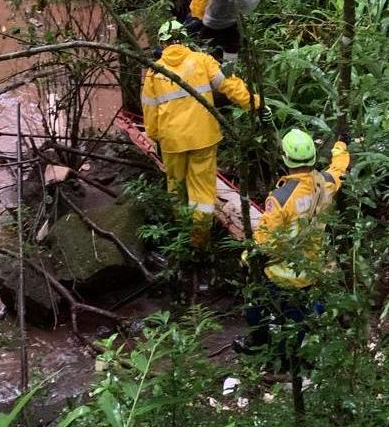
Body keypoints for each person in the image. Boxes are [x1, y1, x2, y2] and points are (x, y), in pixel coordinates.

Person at [141, 19, 271, 248]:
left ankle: (181, 236)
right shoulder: (202, 61)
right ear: (185, 38)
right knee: (202, 193)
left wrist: (155, 137)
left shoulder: (154, 72)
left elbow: (150, 112)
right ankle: (200, 241)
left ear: (162, 42)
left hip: (172, 142)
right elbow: (230, 86)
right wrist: (256, 104)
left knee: (177, 188)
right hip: (203, 138)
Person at [234, 128, 350, 357]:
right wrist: (341, 146)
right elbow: (339, 168)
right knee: (300, 314)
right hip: (310, 267)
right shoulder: (324, 184)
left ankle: (257, 342)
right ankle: (299, 353)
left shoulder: (280, 198)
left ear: (285, 158)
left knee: (255, 304)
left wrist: (246, 260)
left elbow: (264, 240)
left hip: (280, 272)